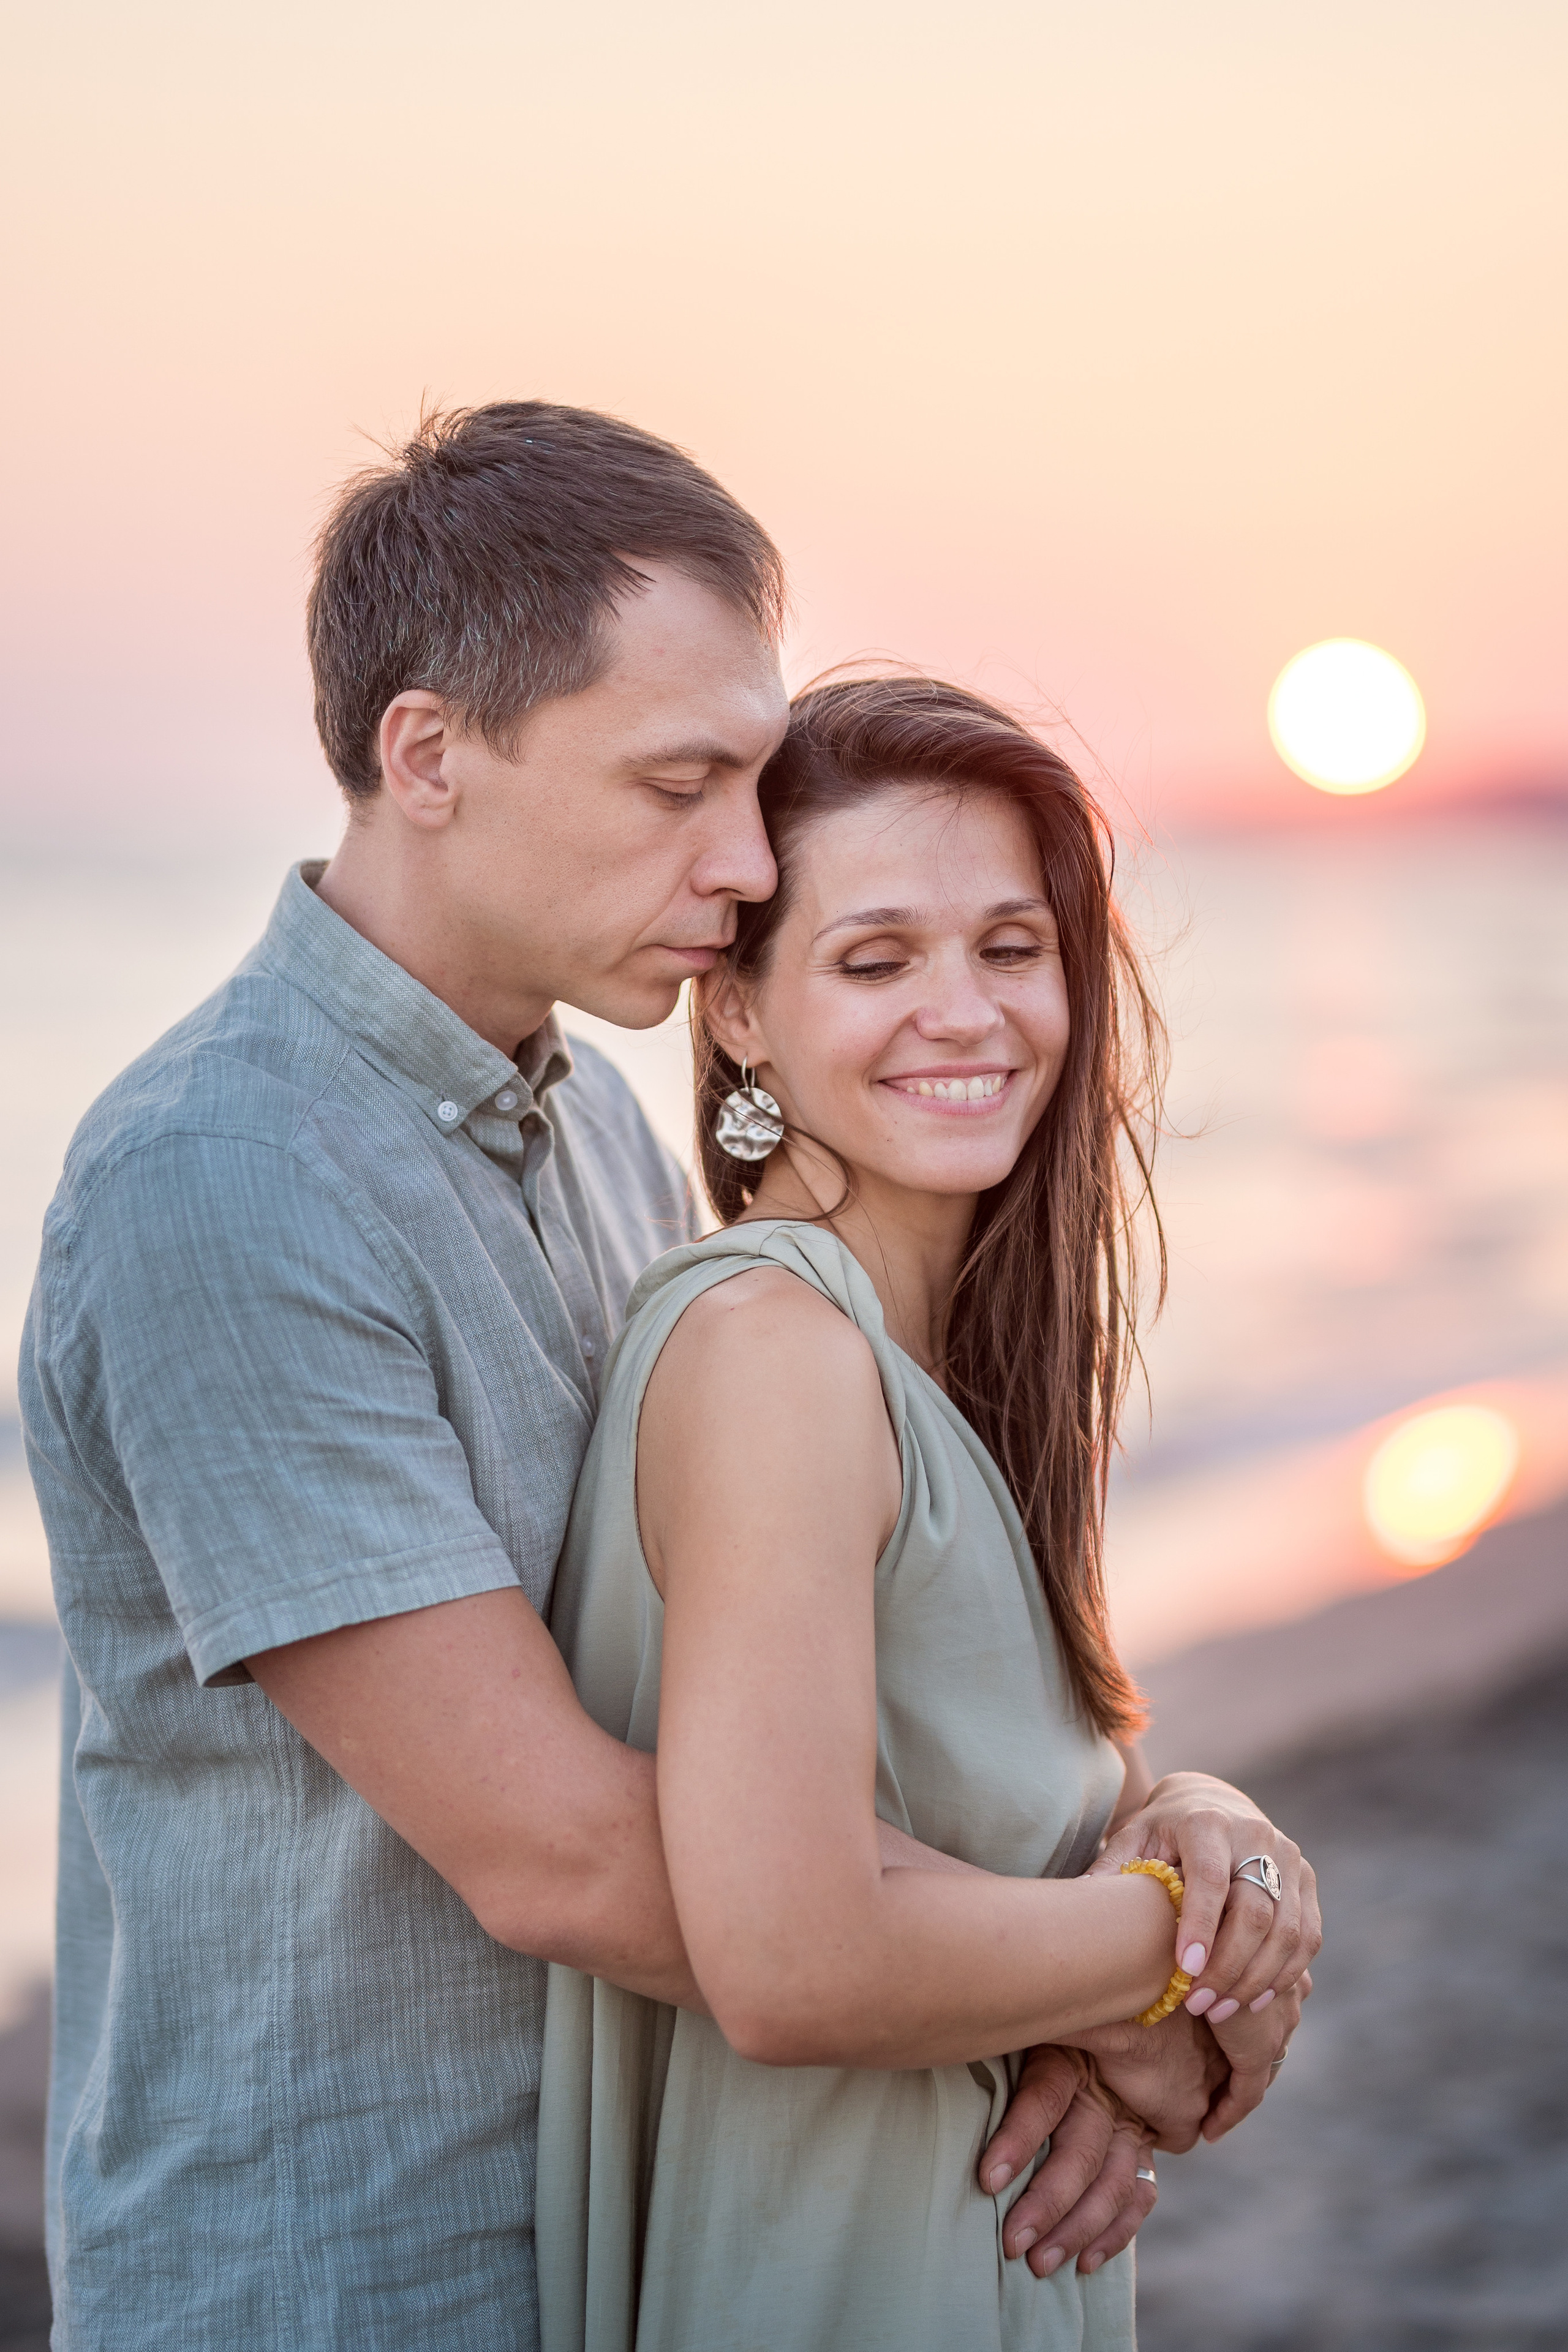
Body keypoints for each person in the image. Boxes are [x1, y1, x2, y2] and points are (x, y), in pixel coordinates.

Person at [17, 404, 1246, 2350]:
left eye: (753, 781)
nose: (746, 859)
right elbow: (570, 1856)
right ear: (429, 756)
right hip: (347, 2273)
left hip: (639, 2221)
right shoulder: (224, 1184)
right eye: (681, 784)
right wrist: (1134, 1986)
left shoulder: (591, 1122)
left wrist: (1167, 1857)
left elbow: (786, 1717)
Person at [537, 676, 1321, 2351]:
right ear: (738, 1013)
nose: (963, 1013)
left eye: (1012, 947)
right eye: (875, 960)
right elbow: (795, 1962)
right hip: (831, 2272)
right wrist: (1190, 1960)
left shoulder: (940, 1365)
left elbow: (1022, 1827)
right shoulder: (774, 1354)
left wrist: (1203, 1810)